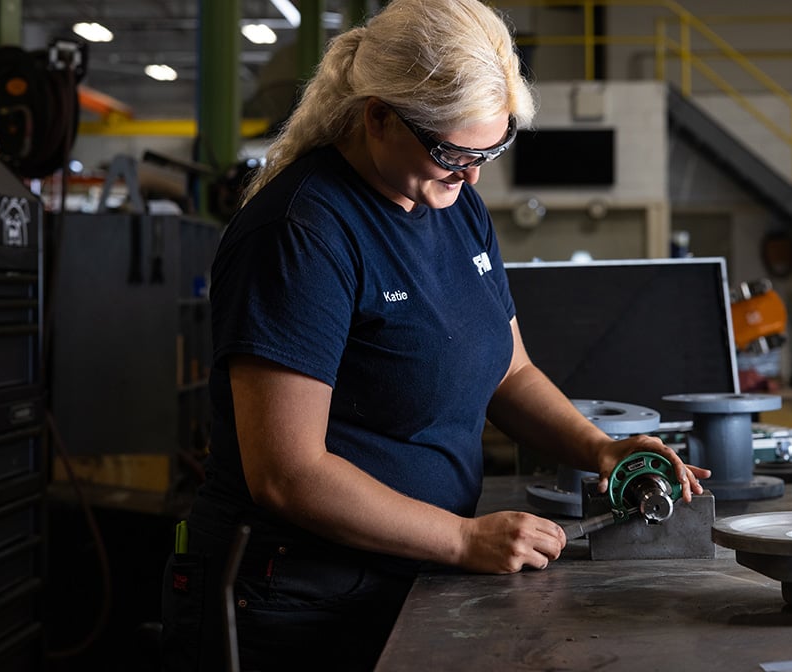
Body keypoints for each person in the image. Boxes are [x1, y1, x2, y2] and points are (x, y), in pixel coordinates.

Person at [161, 0, 710, 669]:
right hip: (295, 600)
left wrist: (600, 449)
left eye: (492, 149)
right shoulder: (301, 233)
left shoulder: (454, 203)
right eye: (456, 151)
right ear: (379, 117)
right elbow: (287, 472)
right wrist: (459, 539)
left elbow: (511, 373)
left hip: (404, 577)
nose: (474, 174)